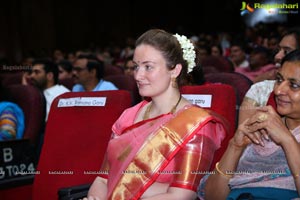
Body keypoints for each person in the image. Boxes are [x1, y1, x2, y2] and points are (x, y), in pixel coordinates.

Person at [83, 29, 228, 200]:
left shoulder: (195, 124)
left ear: (174, 70)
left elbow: (182, 195)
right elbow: (103, 178)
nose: (138, 75)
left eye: (148, 67)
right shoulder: (128, 115)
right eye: (136, 66)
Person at [198, 49, 300, 199]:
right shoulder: (262, 127)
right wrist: (235, 146)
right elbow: (212, 197)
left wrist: (287, 140)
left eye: (294, 85)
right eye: (279, 80)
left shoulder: (280, 131)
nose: (278, 90)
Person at [238, 27, 300, 125]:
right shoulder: (260, 90)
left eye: (286, 52)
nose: (277, 56)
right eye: (278, 50)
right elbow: (242, 137)